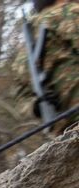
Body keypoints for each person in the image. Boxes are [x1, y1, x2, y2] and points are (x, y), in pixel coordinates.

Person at [16, 0, 79, 130]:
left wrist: (36, 106)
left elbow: (22, 97)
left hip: (65, 135)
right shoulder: (68, 13)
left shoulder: (25, 49)